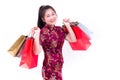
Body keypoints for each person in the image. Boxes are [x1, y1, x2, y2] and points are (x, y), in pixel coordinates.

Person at [31, 5, 76, 80]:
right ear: (43, 19)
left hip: (59, 66)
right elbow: (36, 52)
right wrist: (37, 34)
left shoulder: (60, 30)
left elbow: (73, 39)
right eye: (48, 16)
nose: (52, 17)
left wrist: (67, 25)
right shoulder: (42, 32)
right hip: (49, 68)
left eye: (53, 14)